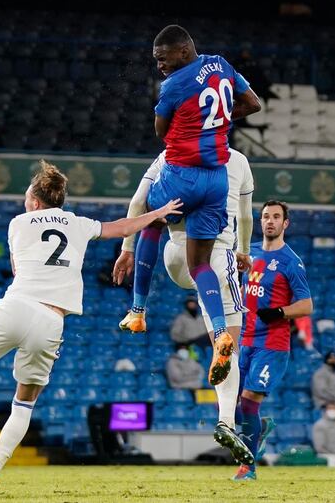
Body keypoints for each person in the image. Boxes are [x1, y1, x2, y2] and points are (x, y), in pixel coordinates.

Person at [0, 160, 182, 491]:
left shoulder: (18, 224)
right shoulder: (79, 223)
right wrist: (158, 212)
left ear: (35, 202)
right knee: (23, 404)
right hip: (51, 320)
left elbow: (16, 266)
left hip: (17, 306)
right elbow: (123, 227)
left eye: (27, 198)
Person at [118, 25, 261, 398]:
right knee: (200, 266)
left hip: (183, 174)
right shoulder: (222, 65)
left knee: (150, 215)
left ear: (183, 50)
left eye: (163, 57)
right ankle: (218, 333)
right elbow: (253, 104)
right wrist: (217, 124)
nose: (160, 64)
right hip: (217, 181)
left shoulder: (174, 86)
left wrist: (192, 129)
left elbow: (161, 132)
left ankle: (137, 310)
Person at [113, 147, 255, 466]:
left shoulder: (168, 155)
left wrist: (126, 248)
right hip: (217, 258)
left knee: (153, 218)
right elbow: (245, 216)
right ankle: (226, 421)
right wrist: (244, 250)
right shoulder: (239, 161)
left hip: (175, 257)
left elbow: (139, 203)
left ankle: (138, 309)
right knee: (229, 348)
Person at [233, 200, 314, 481]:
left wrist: (280, 311)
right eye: (266, 216)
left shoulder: (291, 261)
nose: (269, 221)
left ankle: (248, 468)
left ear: (285, 223)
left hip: (272, 343)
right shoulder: (248, 252)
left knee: (249, 401)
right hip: (244, 340)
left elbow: (306, 305)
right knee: (233, 406)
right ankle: (261, 428)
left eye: (276, 217)